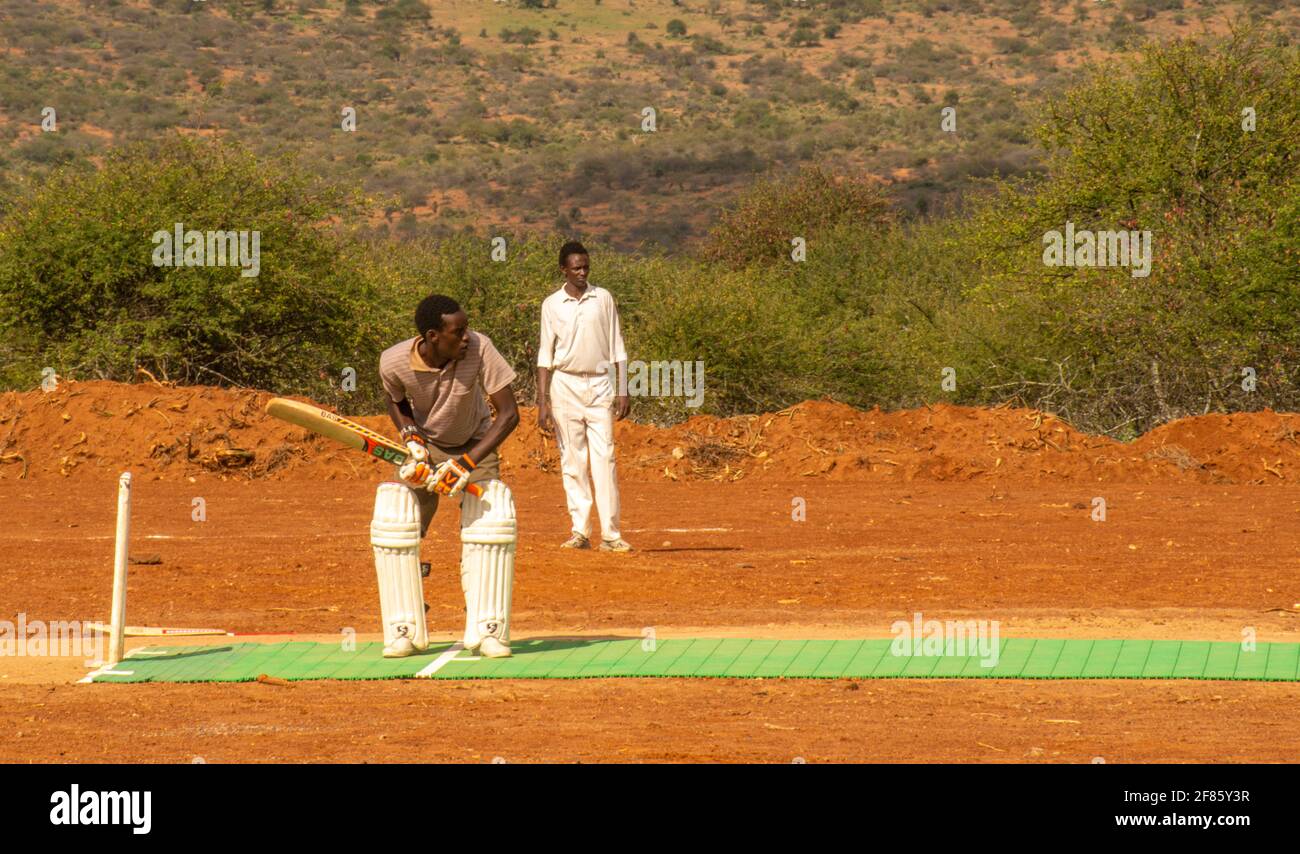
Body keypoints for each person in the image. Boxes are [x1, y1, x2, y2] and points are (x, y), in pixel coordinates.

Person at [371, 294, 520, 658]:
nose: (467, 337)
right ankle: (403, 626)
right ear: (433, 336)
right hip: (427, 446)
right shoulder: (393, 361)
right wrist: (411, 436)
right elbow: (395, 399)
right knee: (395, 516)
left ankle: (488, 628)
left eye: (466, 328)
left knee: (493, 519)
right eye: (458, 332)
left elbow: (509, 414)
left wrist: (466, 463)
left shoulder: (480, 348)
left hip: (474, 441)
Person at [536, 241, 633, 553]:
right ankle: (580, 531)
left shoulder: (602, 298)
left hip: (600, 383)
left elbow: (617, 344)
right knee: (573, 460)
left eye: (586, 267)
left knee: (605, 457)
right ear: (563, 269)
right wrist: (542, 402)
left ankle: (611, 534)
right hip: (564, 385)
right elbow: (544, 354)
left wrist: (623, 388)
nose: (582, 272)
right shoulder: (551, 305)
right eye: (576, 268)